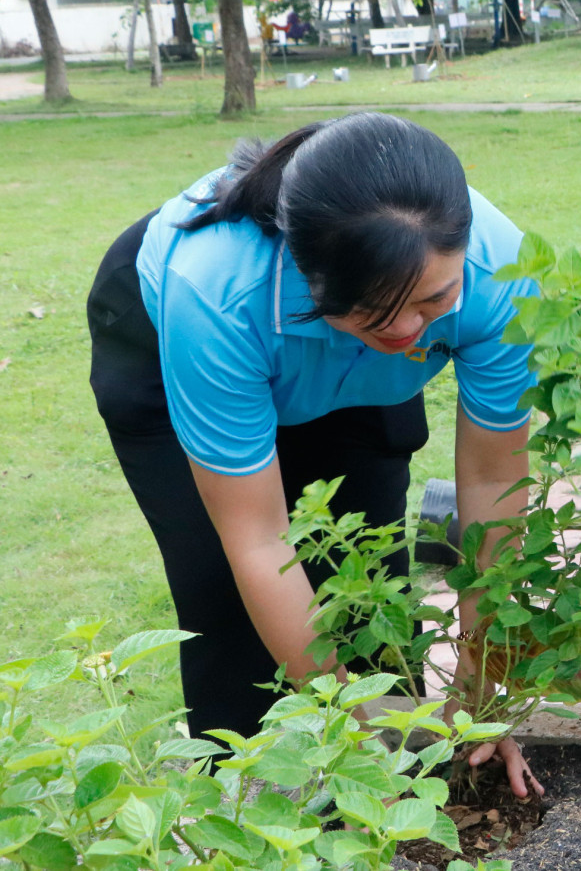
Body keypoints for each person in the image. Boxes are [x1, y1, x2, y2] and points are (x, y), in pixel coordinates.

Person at [86, 112, 541, 798]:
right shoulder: (215, 291)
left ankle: (406, 800)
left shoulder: (499, 273)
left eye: (434, 300)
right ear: (311, 277)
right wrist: (350, 733)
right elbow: (259, 540)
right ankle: (249, 810)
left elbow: (493, 479)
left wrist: (480, 687)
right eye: (377, 311)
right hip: (181, 344)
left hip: (344, 358)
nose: (410, 330)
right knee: (231, 611)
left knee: (367, 591)